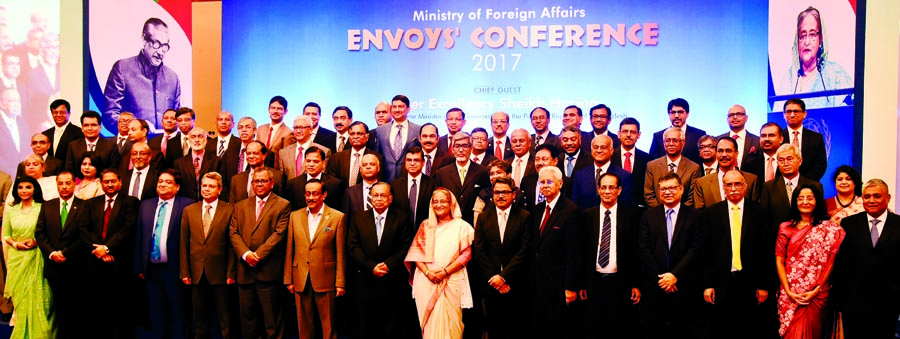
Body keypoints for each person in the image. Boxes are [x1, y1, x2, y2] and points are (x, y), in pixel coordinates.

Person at [701, 170, 771, 339]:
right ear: (723, 187)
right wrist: (707, 284)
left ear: (745, 186)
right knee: (722, 329)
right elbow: (706, 251)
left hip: (750, 282)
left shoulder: (759, 211)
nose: (733, 188)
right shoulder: (712, 212)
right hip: (721, 281)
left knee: (749, 329)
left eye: (737, 184)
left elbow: (764, 250)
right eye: (729, 185)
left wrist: (763, 285)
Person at [638, 172, 702, 339]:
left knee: (682, 332)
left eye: (672, 188)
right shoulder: (648, 215)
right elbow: (644, 248)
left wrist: (674, 275)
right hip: (655, 286)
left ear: (681, 189)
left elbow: (695, 249)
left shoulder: (694, 216)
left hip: (683, 285)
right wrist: (662, 279)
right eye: (663, 189)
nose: (667, 192)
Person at [775, 184, 844, 339]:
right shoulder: (785, 227)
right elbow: (779, 261)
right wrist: (789, 291)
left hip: (818, 295)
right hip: (790, 293)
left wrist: (816, 289)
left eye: (810, 198)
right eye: (801, 198)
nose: (805, 202)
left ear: (817, 201)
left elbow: (830, 262)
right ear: (795, 202)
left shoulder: (829, 228)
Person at [833, 179, 900, 338]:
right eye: (867, 196)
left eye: (876, 196)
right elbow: (842, 263)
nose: (871, 200)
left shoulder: (898, 224)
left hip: (888, 303)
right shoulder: (849, 223)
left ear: (888, 198)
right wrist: (839, 298)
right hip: (854, 303)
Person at [404, 188, 474, 339]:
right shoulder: (426, 226)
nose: (439, 205)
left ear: (451, 204)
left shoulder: (461, 226)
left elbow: (466, 254)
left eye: (443, 201)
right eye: (435, 201)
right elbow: (416, 255)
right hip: (426, 281)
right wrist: (429, 273)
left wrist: (445, 272)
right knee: (429, 325)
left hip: (452, 279)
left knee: (453, 323)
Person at [230, 169, 291, 339]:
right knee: (248, 323)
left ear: (272, 183)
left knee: (273, 322)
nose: (259, 184)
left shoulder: (283, 205)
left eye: (263, 181)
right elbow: (233, 233)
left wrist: (257, 255)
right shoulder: (240, 205)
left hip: (268, 271)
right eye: (256, 181)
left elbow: (279, 234)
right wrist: (246, 254)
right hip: (245, 272)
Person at [348, 181, 414, 338]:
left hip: (392, 283)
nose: (378, 199)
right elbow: (353, 247)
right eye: (375, 195)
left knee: (391, 329)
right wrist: (371, 267)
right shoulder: (359, 218)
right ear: (370, 197)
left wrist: (387, 265)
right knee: (366, 329)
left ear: (390, 198)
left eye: (383, 195)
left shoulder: (401, 218)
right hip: (366, 282)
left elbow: (405, 247)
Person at [79, 169, 141, 337]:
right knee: (99, 307)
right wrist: (99, 250)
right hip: (95, 263)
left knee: (123, 307)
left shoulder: (131, 202)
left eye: (113, 181)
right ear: (101, 183)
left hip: (120, 262)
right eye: (106, 181)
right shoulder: (91, 203)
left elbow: (127, 229)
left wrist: (107, 248)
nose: (110, 184)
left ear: (120, 182)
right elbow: (83, 229)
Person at [133, 169, 193, 339]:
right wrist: (139, 266)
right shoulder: (146, 205)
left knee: (179, 313)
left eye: (168, 182)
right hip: (151, 269)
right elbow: (140, 236)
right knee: (157, 313)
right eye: (160, 181)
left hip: (175, 269)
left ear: (177, 187)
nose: (163, 185)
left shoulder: (188, 204)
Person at [284, 178, 346, 339]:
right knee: (304, 327)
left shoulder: (337, 217)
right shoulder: (294, 217)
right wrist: (288, 279)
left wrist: (340, 282)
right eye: (308, 194)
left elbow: (340, 252)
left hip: (326, 279)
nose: (311, 197)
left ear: (324, 195)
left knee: (329, 327)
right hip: (300, 279)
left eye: (315, 194)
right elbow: (290, 249)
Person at [582, 172, 641, 338]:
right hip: (594, 283)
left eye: (612, 187)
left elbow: (635, 254)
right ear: (598, 190)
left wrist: (635, 284)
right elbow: (582, 252)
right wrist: (582, 284)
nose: (607, 191)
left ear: (619, 190)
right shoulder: (587, 215)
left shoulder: (631, 216)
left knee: (619, 329)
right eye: (603, 187)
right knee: (594, 329)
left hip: (620, 283)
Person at [473, 176, 533, 339]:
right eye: (497, 192)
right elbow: (479, 250)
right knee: (494, 329)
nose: (500, 196)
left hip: (515, 283)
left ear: (513, 195)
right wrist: (496, 278)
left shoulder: (525, 217)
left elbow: (524, 251)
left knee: (516, 329)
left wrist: (504, 277)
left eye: (505, 192)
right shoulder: (484, 217)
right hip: (491, 284)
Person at [180, 172, 236, 338]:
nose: (206, 189)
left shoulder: (230, 209)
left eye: (211, 186)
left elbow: (233, 246)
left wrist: (231, 272)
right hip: (196, 273)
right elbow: (183, 244)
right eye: (204, 185)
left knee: (226, 320)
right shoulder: (189, 210)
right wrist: (185, 272)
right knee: (199, 320)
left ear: (219, 189)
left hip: (221, 274)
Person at [530, 166, 584, 339]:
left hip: (559, 285)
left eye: (549, 182)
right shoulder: (538, 210)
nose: (545, 185)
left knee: (559, 330)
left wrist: (570, 287)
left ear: (560, 183)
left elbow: (574, 253)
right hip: (537, 284)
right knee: (540, 329)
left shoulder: (571, 210)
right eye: (542, 182)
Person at [102, 18, 180, 132]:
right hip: (132, 146)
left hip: (165, 148)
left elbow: (178, 118)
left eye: (165, 46)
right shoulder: (122, 69)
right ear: (144, 40)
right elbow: (110, 115)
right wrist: (137, 126)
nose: (160, 52)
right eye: (156, 44)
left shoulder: (173, 78)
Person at [34, 172, 85, 338]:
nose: (64, 187)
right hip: (54, 267)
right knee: (60, 310)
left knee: (77, 310)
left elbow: (84, 235)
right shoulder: (47, 205)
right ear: (56, 185)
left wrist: (64, 253)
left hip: (75, 266)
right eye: (60, 183)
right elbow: (40, 234)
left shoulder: (84, 206)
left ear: (74, 184)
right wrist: (52, 253)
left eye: (67, 183)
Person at [3, 176, 52, 338]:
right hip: (17, 259)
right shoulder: (11, 209)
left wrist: (36, 242)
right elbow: (6, 235)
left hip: (37, 257)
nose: (24, 191)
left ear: (35, 189)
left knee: (39, 300)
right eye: (20, 188)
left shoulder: (43, 208)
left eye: (28, 187)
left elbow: (47, 233)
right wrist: (16, 244)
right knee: (21, 300)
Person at [776, 6, 853, 108]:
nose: (806, 42)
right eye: (802, 36)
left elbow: (848, 112)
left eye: (812, 35)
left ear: (820, 39)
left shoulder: (835, 74)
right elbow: (777, 119)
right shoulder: (789, 78)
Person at [760, 144, 824, 231]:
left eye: (790, 159)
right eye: (781, 160)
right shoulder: (768, 187)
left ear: (800, 161)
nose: (786, 163)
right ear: (777, 164)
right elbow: (764, 219)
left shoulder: (815, 186)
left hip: (808, 237)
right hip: (776, 238)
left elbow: (820, 215)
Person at [432, 132, 490, 226]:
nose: (461, 150)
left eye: (465, 146)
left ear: (471, 149)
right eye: (457, 146)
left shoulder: (482, 172)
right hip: (448, 225)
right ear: (452, 149)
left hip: (474, 226)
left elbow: (486, 200)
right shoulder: (442, 173)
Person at [692, 136, 760, 210]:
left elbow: (755, 211)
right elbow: (699, 213)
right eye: (720, 151)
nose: (724, 155)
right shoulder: (702, 183)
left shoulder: (751, 180)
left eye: (728, 151)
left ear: (736, 153)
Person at [643, 127, 701, 208]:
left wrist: (677, 213)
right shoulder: (652, 166)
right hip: (658, 215)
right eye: (667, 140)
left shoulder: (694, 168)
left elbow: (691, 198)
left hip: (683, 217)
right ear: (663, 143)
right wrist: (663, 212)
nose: (671, 143)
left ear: (683, 143)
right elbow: (648, 195)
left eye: (675, 140)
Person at [571, 134, 632, 209]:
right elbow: (575, 206)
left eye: (603, 147)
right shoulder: (580, 175)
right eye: (595, 147)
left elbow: (625, 206)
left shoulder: (624, 176)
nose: (599, 150)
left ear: (611, 151)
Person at [326, 121, 386, 187]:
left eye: (359, 134)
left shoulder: (377, 158)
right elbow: (333, 184)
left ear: (367, 136)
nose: (355, 137)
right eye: (352, 134)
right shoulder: (336, 158)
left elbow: (379, 182)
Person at [375, 94, 421, 181]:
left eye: (400, 107)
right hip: (385, 180)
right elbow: (377, 156)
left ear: (408, 109)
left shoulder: (418, 130)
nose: (397, 110)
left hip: (408, 179)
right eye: (394, 107)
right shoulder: (380, 130)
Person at [649, 98, 707, 164]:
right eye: (673, 112)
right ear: (668, 114)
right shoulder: (658, 136)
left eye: (680, 112)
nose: (676, 116)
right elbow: (652, 162)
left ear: (687, 114)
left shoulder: (699, 135)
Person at [782, 98, 828, 181]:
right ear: (784, 115)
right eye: (788, 111)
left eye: (796, 111)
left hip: (809, 186)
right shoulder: (778, 137)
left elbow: (821, 164)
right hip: (783, 185)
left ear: (804, 114)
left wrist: (804, 182)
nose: (792, 115)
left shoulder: (816, 138)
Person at [390, 146, 435, 230]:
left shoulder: (432, 184)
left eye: (416, 160)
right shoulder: (394, 185)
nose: (412, 163)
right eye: (409, 160)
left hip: (425, 233)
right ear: (405, 162)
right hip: (400, 236)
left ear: (423, 162)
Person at [284, 147, 343, 211]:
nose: (311, 164)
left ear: (323, 163)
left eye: (315, 161)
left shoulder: (335, 184)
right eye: (308, 161)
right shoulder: (293, 184)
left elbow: (338, 211)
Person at [278, 115, 331, 181]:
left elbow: (323, 177)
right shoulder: (283, 152)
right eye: (295, 128)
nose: (298, 131)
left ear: (310, 129)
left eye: (301, 128)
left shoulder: (324, 151)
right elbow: (282, 179)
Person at [173, 127, 219, 200]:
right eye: (193, 137)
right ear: (189, 141)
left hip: (209, 202)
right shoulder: (179, 163)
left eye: (200, 136)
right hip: (186, 204)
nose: (197, 140)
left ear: (206, 140)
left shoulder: (216, 161)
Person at [717, 104, 760, 169]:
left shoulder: (757, 141)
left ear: (746, 118)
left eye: (739, 114)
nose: (735, 117)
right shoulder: (717, 140)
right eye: (731, 115)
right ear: (727, 119)